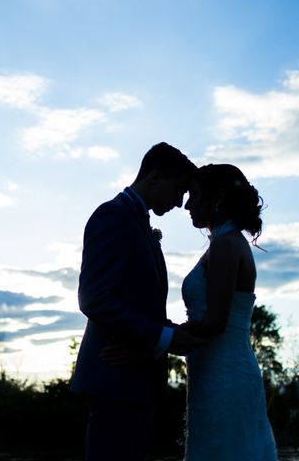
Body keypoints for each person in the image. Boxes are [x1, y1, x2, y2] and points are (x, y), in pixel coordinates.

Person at [71, 142, 203, 461]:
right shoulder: (112, 216)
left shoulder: (138, 223)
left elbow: (143, 305)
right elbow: (95, 297)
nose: (180, 202)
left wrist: (169, 336)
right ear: (155, 177)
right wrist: (166, 337)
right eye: (178, 190)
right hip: (113, 376)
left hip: (136, 377)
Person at [182, 163, 277, 460]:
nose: (187, 204)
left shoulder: (226, 246)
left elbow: (214, 323)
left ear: (218, 196)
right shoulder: (225, 243)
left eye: (195, 195)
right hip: (217, 371)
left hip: (224, 377)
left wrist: (159, 336)